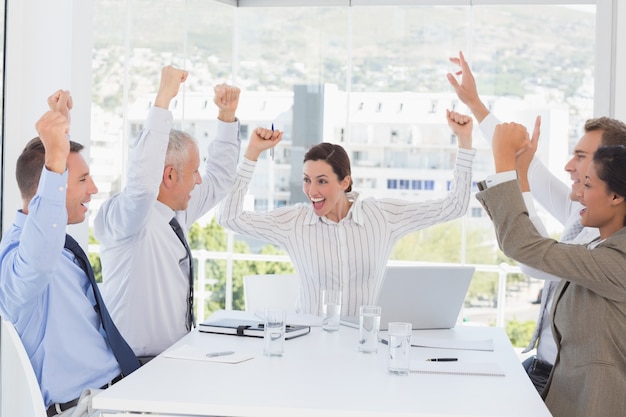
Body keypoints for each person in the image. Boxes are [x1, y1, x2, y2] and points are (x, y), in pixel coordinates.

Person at [447, 50, 626, 391]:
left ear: (612, 167)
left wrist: (507, 163)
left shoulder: (610, 243)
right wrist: (476, 104)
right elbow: (532, 169)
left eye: (582, 157)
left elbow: (534, 255)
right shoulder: (583, 210)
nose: (569, 166)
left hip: (566, 376)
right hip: (542, 363)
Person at [218, 110, 475, 316]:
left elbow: (454, 206)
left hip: (366, 345)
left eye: (322, 181)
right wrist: (252, 153)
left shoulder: (382, 216)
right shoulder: (294, 223)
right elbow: (229, 217)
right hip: (310, 345)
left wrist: (464, 141)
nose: (311, 190)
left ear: (344, 182)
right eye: (307, 180)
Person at [0, 90, 140, 416]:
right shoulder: (18, 259)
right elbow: (37, 261)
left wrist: (60, 139)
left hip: (121, 395)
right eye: (82, 179)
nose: (93, 189)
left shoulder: (61, 249)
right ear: (47, 189)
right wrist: (54, 162)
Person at [476, 121, 626, 417]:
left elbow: (528, 246)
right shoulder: (599, 246)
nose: (576, 194)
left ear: (615, 196)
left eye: (588, 185)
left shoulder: (617, 260)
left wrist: (504, 161)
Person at [93, 66, 241, 358]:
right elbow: (142, 182)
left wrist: (226, 117)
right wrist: (164, 98)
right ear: (170, 176)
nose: (199, 179)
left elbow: (220, 178)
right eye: (194, 172)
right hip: (134, 365)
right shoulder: (128, 218)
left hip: (175, 357)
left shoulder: (176, 210)